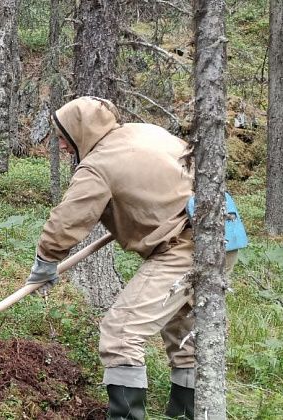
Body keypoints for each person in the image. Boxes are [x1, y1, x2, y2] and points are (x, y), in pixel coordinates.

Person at [25, 96, 242, 419]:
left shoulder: (99, 164)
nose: (62, 145)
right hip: (225, 232)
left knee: (121, 332)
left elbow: (68, 219)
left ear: (80, 131)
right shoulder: (144, 131)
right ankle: (188, 412)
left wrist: (46, 260)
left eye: (63, 136)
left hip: (185, 245)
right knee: (182, 329)